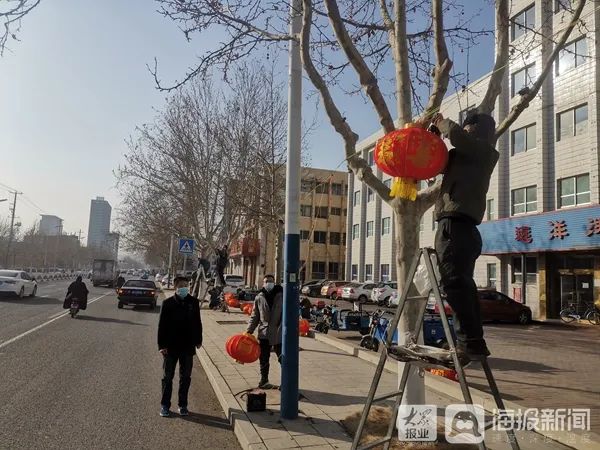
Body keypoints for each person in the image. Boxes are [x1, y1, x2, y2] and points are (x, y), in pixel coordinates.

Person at [431, 112, 499, 360]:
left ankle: (468, 342)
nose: (464, 131)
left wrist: (441, 122)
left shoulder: (484, 151)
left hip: (457, 225)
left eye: (468, 128)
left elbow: (458, 136)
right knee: (461, 285)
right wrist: (434, 140)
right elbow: (436, 165)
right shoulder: (464, 156)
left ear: (475, 129)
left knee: (454, 283)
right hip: (458, 226)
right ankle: (473, 341)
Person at [157, 276, 203, 417]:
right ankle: (165, 405)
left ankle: (183, 405)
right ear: (175, 287)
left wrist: (198, 340)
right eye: (181, 286)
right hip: (170, 347)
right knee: (167, 377)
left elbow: (197, 322)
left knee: (186, 377)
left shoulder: (193, 302)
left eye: (186, 285)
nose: (184, 288)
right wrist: (162, 345)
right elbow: (162, 326)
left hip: (187, 346)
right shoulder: (168, 303)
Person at [245, 274, 283, 388]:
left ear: (274, 282)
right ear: (263, 283)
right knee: (263, 358)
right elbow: (255, 316)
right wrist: (249, 330)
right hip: (264, 333)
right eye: (266, 281)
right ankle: (264, 381)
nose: (268, 283)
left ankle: (285, 382)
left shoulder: (282, 295)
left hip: (278, 333)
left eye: (271, 281)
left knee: (283, 359)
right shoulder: (259, 297)